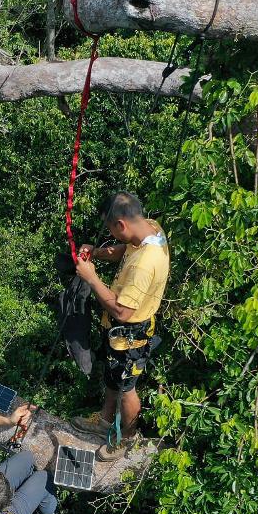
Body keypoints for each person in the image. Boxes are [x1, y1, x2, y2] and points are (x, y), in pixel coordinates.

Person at [71, 191, 170, 460]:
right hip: (118, 334)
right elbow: (125, 249)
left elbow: (123, 311)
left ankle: (126, 438)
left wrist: (92, 279)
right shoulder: (151, 228)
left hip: (130, 334)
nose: (112, 235)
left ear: (121, 224)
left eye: (111, 229)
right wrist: (99, 253)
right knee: (114, 378)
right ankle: (104, 421)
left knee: (126, 388)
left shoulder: (145, 264)